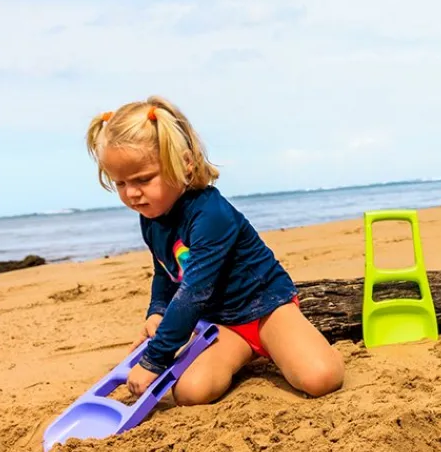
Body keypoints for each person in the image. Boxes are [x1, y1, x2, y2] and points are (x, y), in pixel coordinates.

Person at [85, 96, 344, 406]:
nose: (132, 194)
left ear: (185, 163)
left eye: (143, 179)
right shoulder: (151, 217)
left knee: (321, 379)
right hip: (223, 323)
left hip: (265, 308)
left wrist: (154, 361)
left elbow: (193, 292)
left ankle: (282, 343)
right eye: (121, 183)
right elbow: (165, 272)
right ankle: (245, 353)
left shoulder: (211, 215)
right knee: (190, 394)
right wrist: (156, 310)